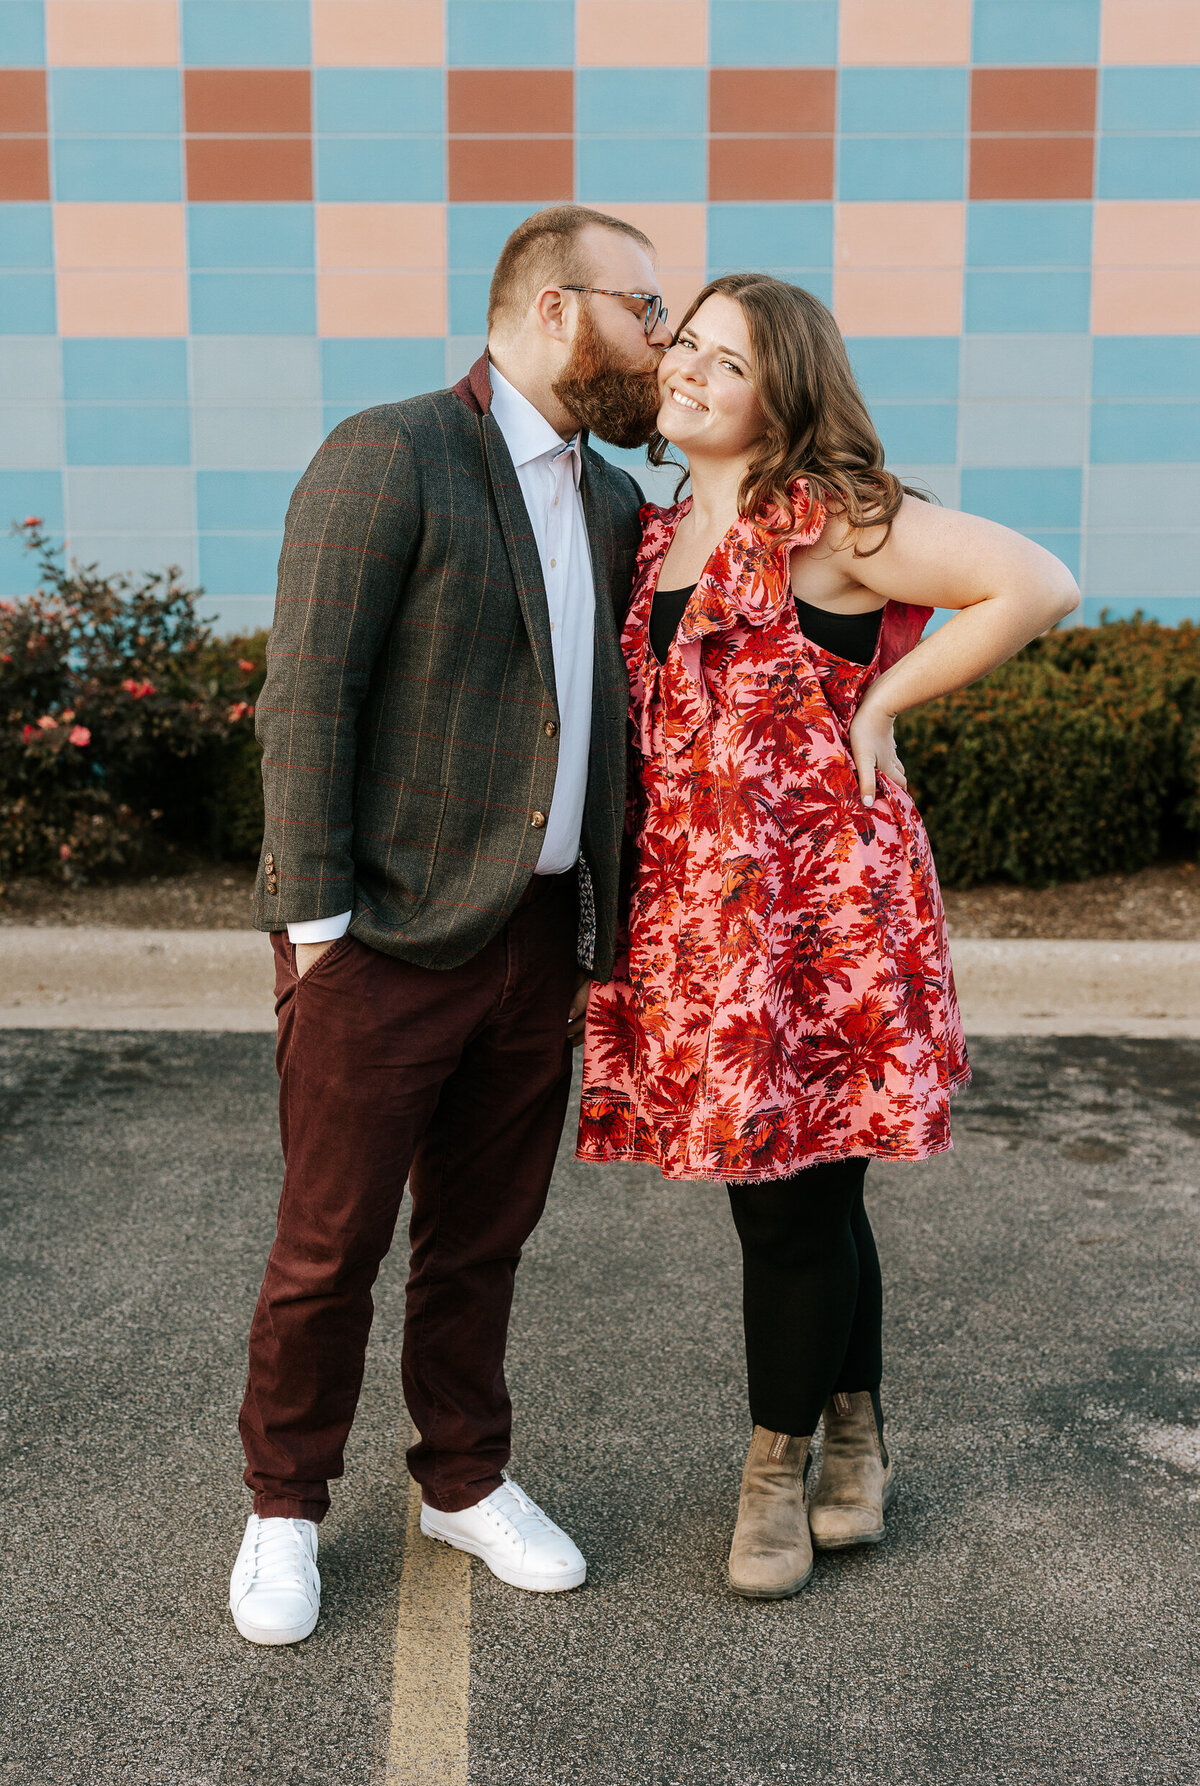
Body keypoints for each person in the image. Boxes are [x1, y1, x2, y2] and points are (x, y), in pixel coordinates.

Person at [577, 273, 1080, 1599]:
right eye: (684, 341)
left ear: (783, 392)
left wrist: (883, 704)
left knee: (792, 1211)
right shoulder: (660, 529)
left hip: (824, 922)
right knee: (811, 1191)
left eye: (726, 360)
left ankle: (774, 1470)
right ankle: (854, 1430)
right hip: (702, 927)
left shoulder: (839, 520)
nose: (687, 368)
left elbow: (1036, 582)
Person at [229, 205, 672, 1645]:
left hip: (541, 940)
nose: (657, 340)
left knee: (483, 1242)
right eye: (643, 308)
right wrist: (315, 931)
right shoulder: (392, 451)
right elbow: (308, 695)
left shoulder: (614, 505)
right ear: (556, 308)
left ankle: (462, 1480)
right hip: (382, 947)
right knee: (326, 1250)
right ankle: (285, 1510)